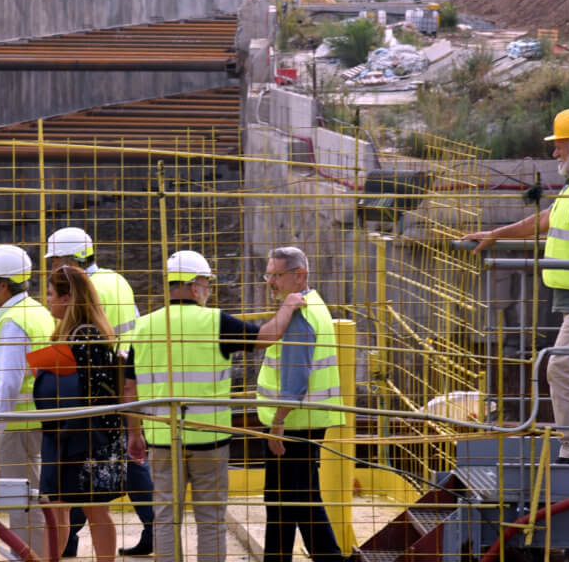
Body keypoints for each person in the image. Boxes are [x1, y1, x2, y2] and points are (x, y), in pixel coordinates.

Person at [462, 107, 569, 465]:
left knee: (560, 367)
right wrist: (496, 234)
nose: (554, 153)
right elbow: (544, 219)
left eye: (560, 146)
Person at [123, 250, 305, 562]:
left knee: (166, 517)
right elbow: (266, 337)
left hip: (163, 440)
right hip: (210, 440)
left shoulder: (143, 327)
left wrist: (135, 434)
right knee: (210, 519)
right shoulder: (215, 322)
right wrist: (288, 306)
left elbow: (129, 388)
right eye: (207, 284)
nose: (208, 291)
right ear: (195, 286)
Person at [45, 227, 153, 556]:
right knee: (100, 493)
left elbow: (74, 375)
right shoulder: (116, 280)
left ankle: (155, 525)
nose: (51, 268)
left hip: (95, 410)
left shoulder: (86, 299)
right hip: (123, 387)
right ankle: (152, 528)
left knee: (108, 483)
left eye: (54, 261)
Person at [257, 246, 345, 562]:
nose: (271, 282)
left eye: (277, 275)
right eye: (269, 274)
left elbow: (295, 380)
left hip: (293, 424)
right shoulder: (316, 305)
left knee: (286, 500)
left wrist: (277, 423)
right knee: (297, 498)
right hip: (306, 420)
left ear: (299, 274)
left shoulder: (298, 314)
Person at [34, 265, 127, 562]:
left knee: (91, 508)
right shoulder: (77, 334)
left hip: (83, 438)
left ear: (68, 298)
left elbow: (85, 390)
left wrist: (43, 368)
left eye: (51, 294)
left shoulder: (86, 336)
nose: (48, 300)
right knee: (61, 507)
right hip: (69, 435)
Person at [0, 244, 55, 558]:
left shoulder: (12, 322)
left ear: (1, 284)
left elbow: (8, 384)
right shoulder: (37, 312)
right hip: (35, 421)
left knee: (21, 504)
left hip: (16, 426)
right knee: (32, 499)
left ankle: (30, 556)